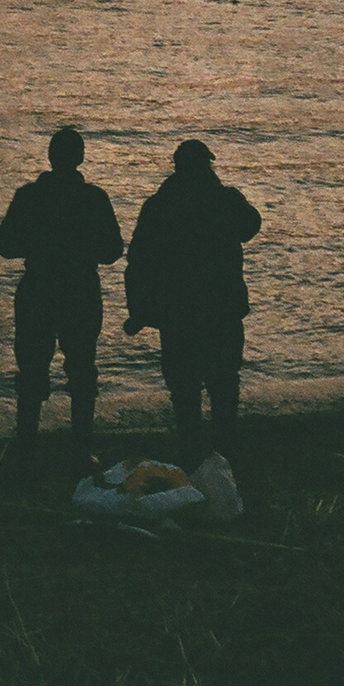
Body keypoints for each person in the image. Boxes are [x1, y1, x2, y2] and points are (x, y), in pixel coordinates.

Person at [122, 139, 262, 466]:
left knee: (184, 389)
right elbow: (251, 224)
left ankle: (191, 454)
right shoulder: (223, 200)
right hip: (221, 310)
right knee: (224, 384)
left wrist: (140, 311)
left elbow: (138, 262)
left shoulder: (159, 206)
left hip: (178, 313)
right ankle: (225, 453)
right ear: (206, 165)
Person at [0, 127, 125, 467]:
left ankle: (28, 450)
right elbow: (112, 251)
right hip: (80, 291)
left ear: (50, 158)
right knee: (81, 372)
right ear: (80, 158)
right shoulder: (94, 199)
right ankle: (80, 451)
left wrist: (38, 245)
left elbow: (4, 245)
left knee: (32, 372)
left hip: (38, 290)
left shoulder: (29, 196)